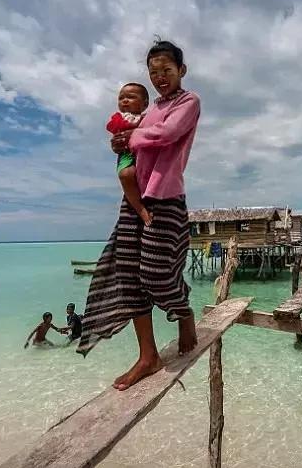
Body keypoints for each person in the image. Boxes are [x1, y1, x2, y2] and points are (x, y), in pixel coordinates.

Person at [79, 39, 200, 391]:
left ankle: (184, 312)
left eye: (167, 70)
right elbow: (134, 138)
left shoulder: (188, 101)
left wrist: (131, 137)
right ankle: (148, 356)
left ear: (181, 70)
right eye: (154, 72)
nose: (160, 77)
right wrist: (120, 142)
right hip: (134, 200)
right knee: (129, 275)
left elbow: (166, 134)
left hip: (165, 197)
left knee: (156, 274)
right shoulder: (147, 111)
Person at [106, 83, 152, 225]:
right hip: (127, 154)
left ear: (144, 104)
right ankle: (141, 210)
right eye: (121, 98)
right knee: (125, 175)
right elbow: (113, 131)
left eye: (131, 97)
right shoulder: (119, 118)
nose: (125, 100)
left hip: (145, 154)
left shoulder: (148, 118)